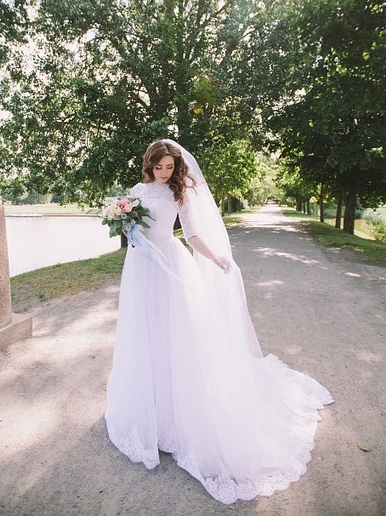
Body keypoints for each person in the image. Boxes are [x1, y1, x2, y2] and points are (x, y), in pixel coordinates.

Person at [105, 139, 333, 504]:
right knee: (144, 331)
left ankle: (177, 414)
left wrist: (216, 258)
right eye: (159, 167)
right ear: (149, 165)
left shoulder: (179, 192)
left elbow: (192, 233)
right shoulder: (136, 190)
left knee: (176, 332)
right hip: (140, 265)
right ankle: (149, 407)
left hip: (170, 263)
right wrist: (125, 225)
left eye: (169, 167)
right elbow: (132, 228)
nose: (164, 172)